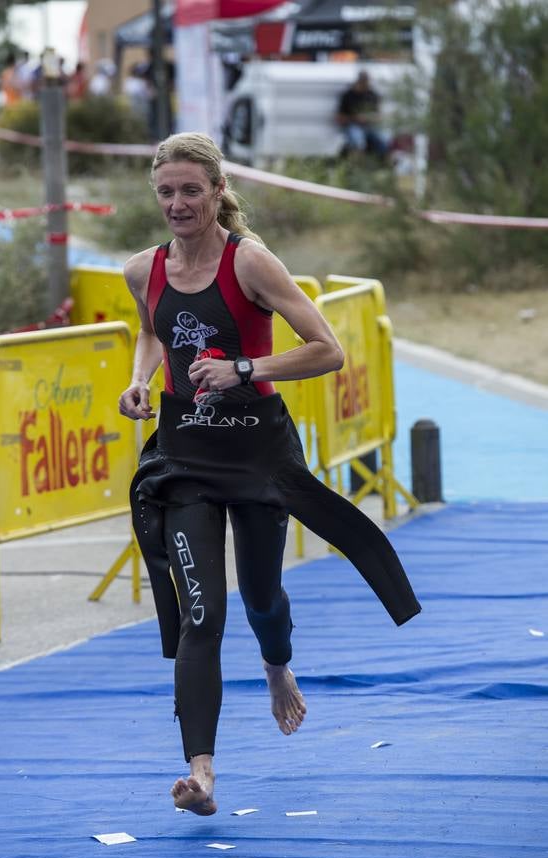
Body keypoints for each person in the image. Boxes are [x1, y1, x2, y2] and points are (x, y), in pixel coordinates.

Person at [118, 132, 420, 816]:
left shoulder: (251, 263)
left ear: (219, 191)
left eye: (191, 190)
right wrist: (138, 382)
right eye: (166, 191)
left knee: (260, 597)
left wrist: (244, 369)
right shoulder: (144, 269)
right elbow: (152, 330)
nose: (178, 203)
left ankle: (277, 663)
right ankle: (202, 773)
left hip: (257, 454)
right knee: (204, 613)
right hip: (184, 457)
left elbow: (328, 350)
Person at [336, 70, 389, 161]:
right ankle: (358, 165)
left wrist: (368, 118)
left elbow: (379, 116)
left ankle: (383, 165)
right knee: (358, 141)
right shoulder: (348, 96)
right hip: (352, 125)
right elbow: (339, 118)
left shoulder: (372, 95)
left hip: (370, 126)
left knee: (384, 139)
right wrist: (355, 118)